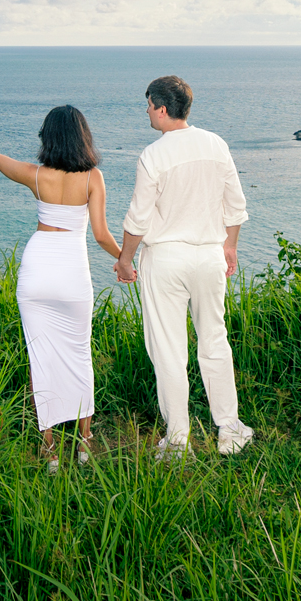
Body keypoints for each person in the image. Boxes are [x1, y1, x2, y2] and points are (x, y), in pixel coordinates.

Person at [0, 106, 123, 469]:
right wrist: (125, 260)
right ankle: (84, 441)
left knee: (40, 358)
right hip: (72, 275)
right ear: (83, 136)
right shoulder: (93, 178)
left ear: (48, 137)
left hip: (37, 271)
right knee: (78, 353)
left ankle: (49, 448)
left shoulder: (36, 175)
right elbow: (101, 235)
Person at [113, 75, 253, 457]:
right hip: (209, 255)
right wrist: (231, 246)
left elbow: (139, 218)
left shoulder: (153, 154)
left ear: (161, 108)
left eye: (148, 105)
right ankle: (229, 428)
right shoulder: (216, 144)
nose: (146, 112)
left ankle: (178, 440)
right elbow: (235, 204)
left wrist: (125, 259)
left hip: (167, 260)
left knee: (169, 349)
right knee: (214, 340)